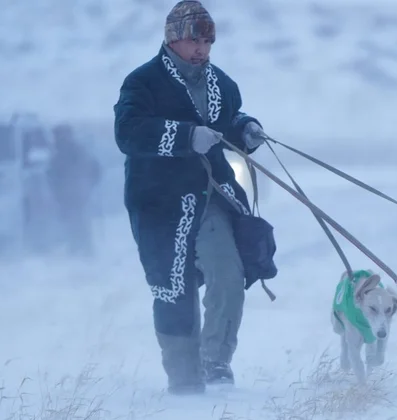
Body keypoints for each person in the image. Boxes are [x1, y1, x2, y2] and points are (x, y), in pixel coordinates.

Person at [113, 0, 269, 395]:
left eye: (208, 41)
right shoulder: (141, 82)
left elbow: (226, 122)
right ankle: (184, 381)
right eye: (193, 40)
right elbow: (128, 132)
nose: (201, 48)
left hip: (211, 196)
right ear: (173, 39)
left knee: (229, 275)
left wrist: (245, 128)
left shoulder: (223, 84)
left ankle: (215, 363)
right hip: (159, 203)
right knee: (173, 287)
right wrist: (185, 137)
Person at [46, 123, 101, 257]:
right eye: (57, 135)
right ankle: (77, 252)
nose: (57, 138)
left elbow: (96, 170)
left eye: (59, 135)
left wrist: (88, 185)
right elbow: (52, 176)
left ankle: (86, 254)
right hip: (67, 196)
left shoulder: (77, 152)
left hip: (77, 195)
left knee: (80, 224)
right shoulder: (58, 155)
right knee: (72, 225)